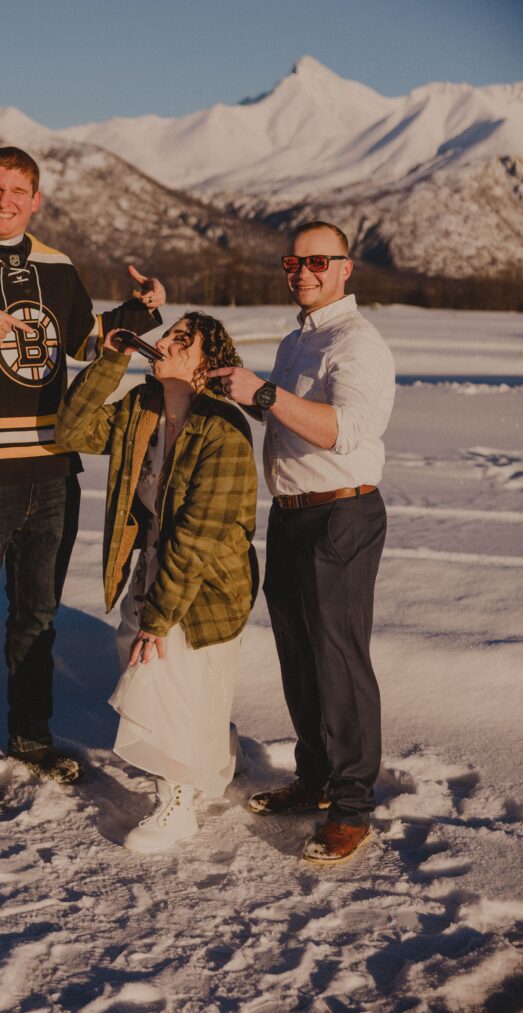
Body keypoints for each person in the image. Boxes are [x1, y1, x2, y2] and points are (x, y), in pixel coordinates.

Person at [0, 146, 166, 816]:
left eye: (19, 191)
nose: (6, 201)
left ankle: (30, 737)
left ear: (36, 199)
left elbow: (83, 342)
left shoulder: (56, 266)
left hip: (50, 471)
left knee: (36, 619)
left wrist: (141, 309)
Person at [209, 221, 395, 865]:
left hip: (340, 516)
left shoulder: (358, 345)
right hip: (291, 516)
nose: (304, 270)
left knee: (339, 661)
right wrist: (246, 391)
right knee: (300, 655)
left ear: (347, 268)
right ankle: (315, 780)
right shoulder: (297, 340)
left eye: (320, 261)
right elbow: (287, 413)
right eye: (295, 260)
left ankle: (350, 807)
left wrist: (265, 393)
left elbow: (342, 431)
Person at [55, 312, 258, 852]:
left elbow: (197, 535)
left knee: (163, 676)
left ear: (206, 365)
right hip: (151, 570)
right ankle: (219, 753)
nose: (165, 341)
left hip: (207, 583)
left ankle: (178, 803)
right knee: (171, 678)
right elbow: (71, 429)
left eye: (182, 340)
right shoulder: (139, 410)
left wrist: (159, 619)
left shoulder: (224, 430)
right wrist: (112, 358)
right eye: (168, 334)